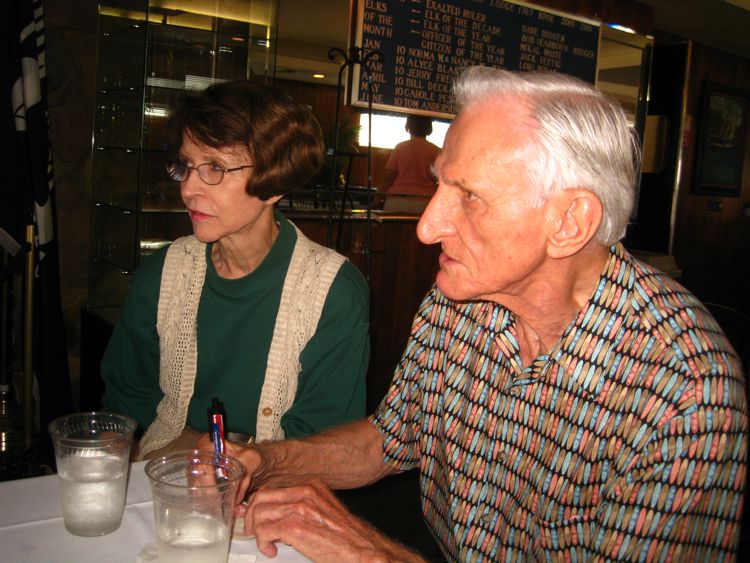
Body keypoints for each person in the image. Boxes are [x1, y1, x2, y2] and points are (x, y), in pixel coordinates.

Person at [201, 67, 747, 561]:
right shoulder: (457, 298)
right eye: (441, 184)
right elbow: (390, 439)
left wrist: (369, 553)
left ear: (569, 223)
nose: (427, 226)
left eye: (469, 196)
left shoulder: (685, 395)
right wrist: (264, 462)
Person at [101, 81, 370, 460]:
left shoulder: (334, 293)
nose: (189, 190)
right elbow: (125, 401)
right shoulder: (162, 274)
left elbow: (325, 441)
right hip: (166, 473)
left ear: (275, 180)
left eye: (215, 168)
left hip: (278, 490)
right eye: (186, 166)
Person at [377, 114, 440, 214]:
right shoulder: (436, 151)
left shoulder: (400, 147)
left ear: (408, 126)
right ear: (429, 128)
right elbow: (439, 179)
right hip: (426, 201)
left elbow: (388, 177)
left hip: (397, 199)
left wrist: (376, 199)